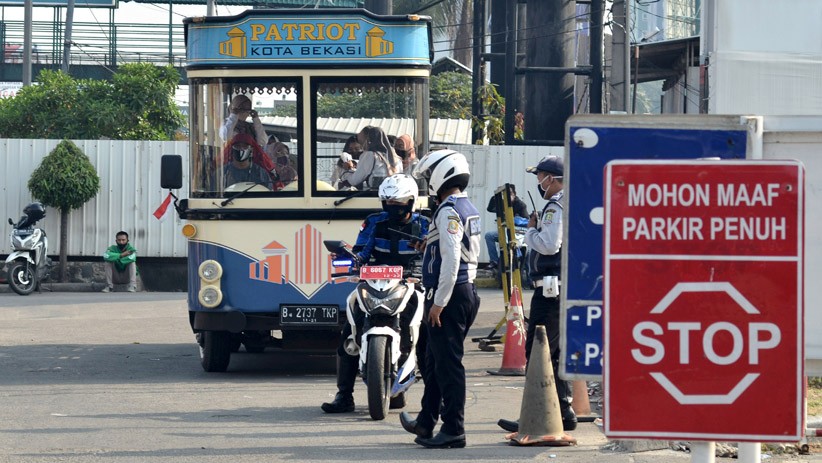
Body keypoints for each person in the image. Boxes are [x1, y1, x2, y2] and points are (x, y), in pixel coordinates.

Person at [321, 174, 430, 413]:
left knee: (427, 335)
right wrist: (350, 259)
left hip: (411, 284)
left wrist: (423, 266)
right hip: (374, 283)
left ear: (411, 202)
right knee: (349, 331)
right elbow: (362, 251)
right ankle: (344, 396)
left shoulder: (424, 223)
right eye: (389, 203)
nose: (393, 207)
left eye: (399, 203)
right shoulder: (373, 222)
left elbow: (432, 254)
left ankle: (434, 399)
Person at [399, 149, 481, 449]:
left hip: (451, 294)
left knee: (448, 366)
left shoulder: (448, 210)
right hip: (463, 291)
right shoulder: (466, 206)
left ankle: (454, 429)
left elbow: (452, 261)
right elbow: (457, 248)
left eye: (428, 176)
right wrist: (429, 244)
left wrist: (439, 303)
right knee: (433, 361)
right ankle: (426, 421)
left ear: (441, 175)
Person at [497, 155, 577, 434]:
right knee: (554, 353)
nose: (539, 182)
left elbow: (549, 245)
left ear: (552, 178)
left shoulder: (555, 206)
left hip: (550, 290)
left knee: (538, 353)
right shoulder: (568, 203)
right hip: (562, 288)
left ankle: (536, 415)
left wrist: (530, 231)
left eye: (540, 176)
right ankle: (563, 411)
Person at [484, 185, 529, 271]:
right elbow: (490, 209)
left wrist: (515, 220)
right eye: (505, 194)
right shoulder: (503, 203)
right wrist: (495, 197)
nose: (507, 196)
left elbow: (525, 221)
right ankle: (494, 261)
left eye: (510, 194)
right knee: (489, 236)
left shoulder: (520, 205)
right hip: (504, 232)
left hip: (516, 234)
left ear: (514, 194)